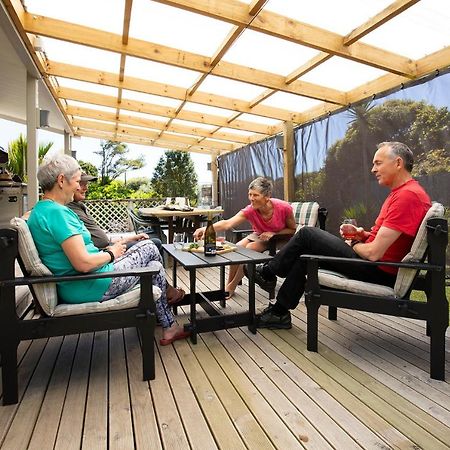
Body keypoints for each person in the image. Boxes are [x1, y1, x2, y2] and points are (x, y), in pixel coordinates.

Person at [248, 141, 431, 329]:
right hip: (376, 264)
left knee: (307, 235)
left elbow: (374, 253)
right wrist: (362, 235)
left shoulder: (407, 196)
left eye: (378, 163)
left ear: (398, 163)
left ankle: (268, 272)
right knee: (306, 258)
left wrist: (353, 244)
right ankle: (279, 313)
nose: (373, 169)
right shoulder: (402, 193)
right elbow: (388, 240)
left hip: (379, 270)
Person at [27, 154, 189, 345]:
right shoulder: (57, 213)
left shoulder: (41, 210)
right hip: (92, 284)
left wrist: (111, 250)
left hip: (84, 282)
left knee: (153, 264)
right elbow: (83, 263)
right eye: (77, 181)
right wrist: (111, 253)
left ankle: (169, 326)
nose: (79, 187)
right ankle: (168, 309)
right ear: (61, 180)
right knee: (150, 246)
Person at [66, 173, 183, 303]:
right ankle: (165, 292)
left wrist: (130, 238)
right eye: (80, 183)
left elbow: (101, 238)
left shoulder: (78, 206)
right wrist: (111, 252)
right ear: (65, 183)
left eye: (86, 184)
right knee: (153, 245)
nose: (85, 188)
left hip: (106, 252)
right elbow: (96, 244)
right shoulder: (68, 211)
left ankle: (161, 296)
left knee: (152, 248)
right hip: (103, 259)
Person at [194, 177, 296, 298]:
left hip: (280, 238)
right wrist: (205, 229)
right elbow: (227, 223)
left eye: (255, 195)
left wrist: (274, 234)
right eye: (250, 194)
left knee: (250, 248)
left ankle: (232, 286)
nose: (251, 198)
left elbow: (292, 229)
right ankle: (229, 284)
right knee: (237, 248)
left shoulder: (283, 207)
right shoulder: (250, 210)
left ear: (267, 196)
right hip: (260, 235)